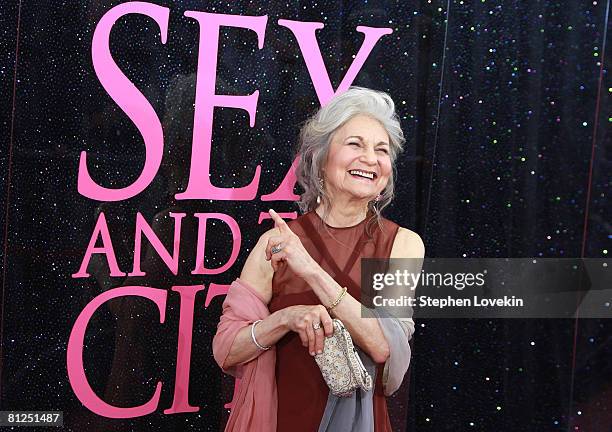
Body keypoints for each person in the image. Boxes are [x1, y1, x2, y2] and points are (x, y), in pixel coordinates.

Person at [213, 86, 425, 432]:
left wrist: (310, 270)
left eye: (382, 150)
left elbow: (385, 348)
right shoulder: (276, 242)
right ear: (321, 158)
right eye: (355, 144)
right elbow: (226, 350)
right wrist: (286, 319)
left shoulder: (402, 244)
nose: (371, 158)